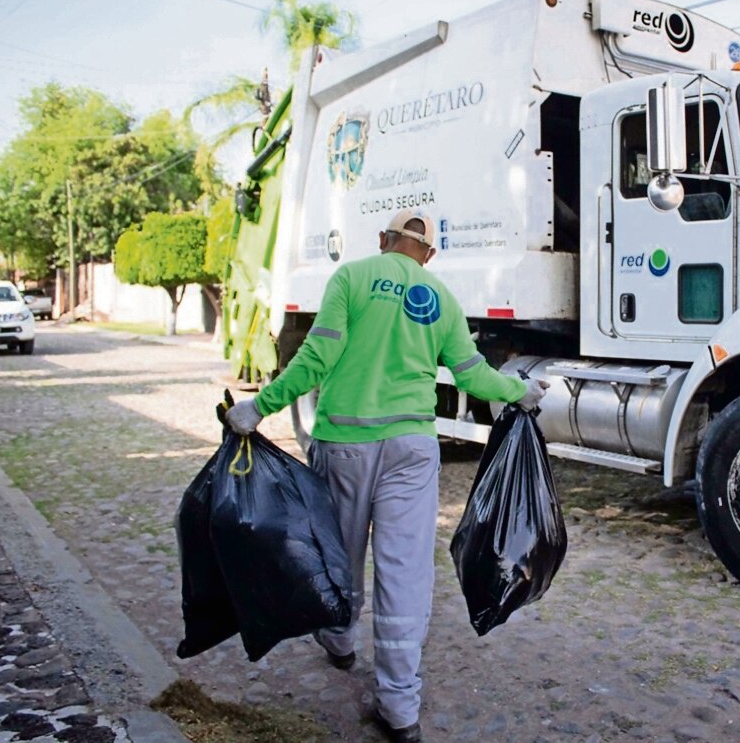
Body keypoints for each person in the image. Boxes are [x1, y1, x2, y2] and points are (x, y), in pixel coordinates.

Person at [225, 210, 546, 743]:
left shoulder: (350, 278)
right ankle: (399, 707)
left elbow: (316, 357)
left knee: (339, 555)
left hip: (346, 445)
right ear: (429, 254)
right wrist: (521, 392)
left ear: (383, 241)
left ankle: (339, 638)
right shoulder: (440, 295)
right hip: (412, 452)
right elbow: (472, 375)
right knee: (405, 574)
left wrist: (260, 406)